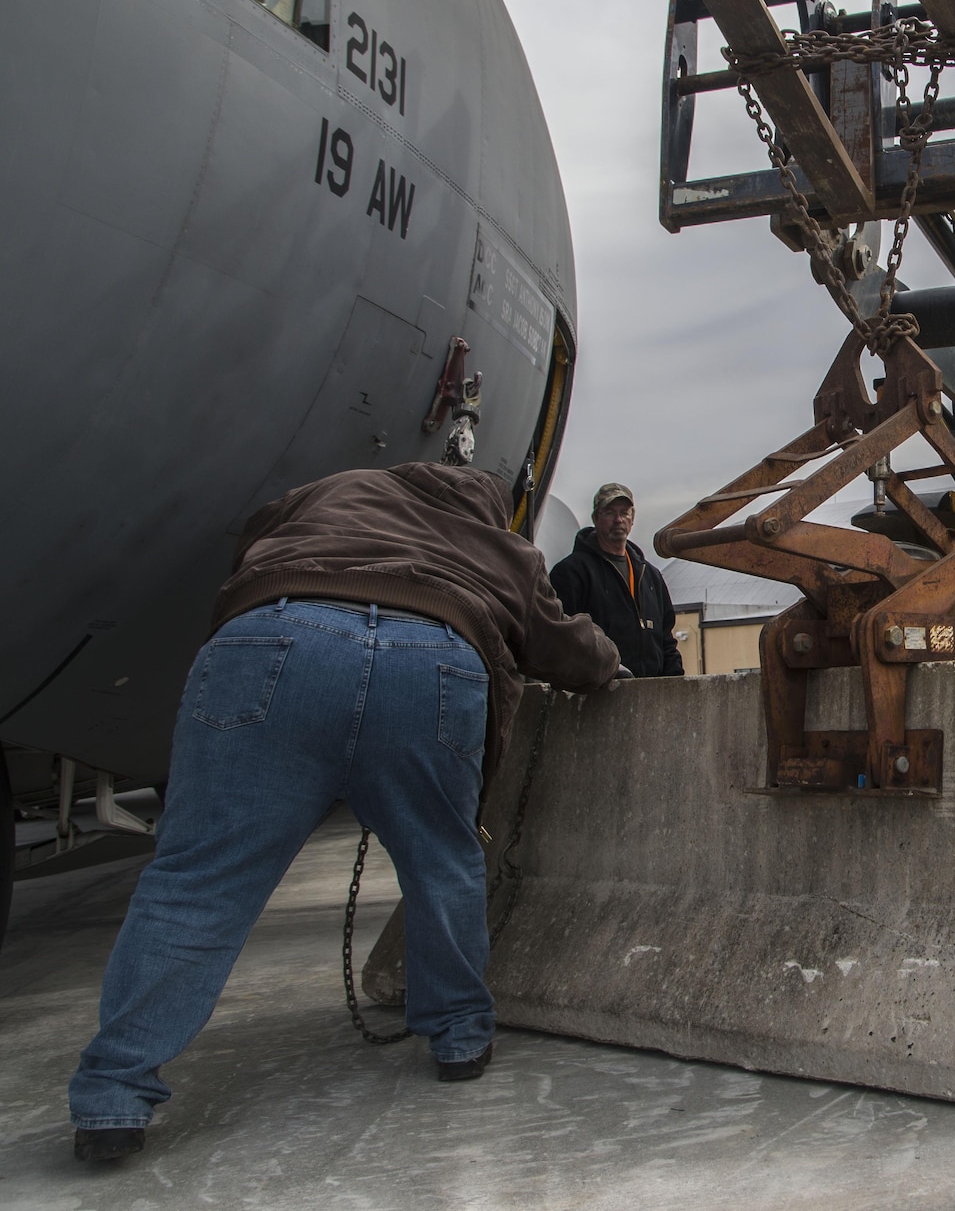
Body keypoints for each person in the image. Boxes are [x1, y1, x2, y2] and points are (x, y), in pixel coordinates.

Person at [67, 464, 618, 1162]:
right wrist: (608, 663)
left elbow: (258, 535)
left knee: (196, 880)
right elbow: (562, 643)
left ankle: (113, 1095)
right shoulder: (499, 544)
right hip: (431, 658)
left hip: (276, 634)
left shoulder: (338, 490)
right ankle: (459, 1037)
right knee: (441, 861)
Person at [549, 483, 684, 678]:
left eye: (624, 513)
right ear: (595, 518)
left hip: (652, 694)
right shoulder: (571, 573)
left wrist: (676, 684)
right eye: (609, 513)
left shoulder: (650, 576)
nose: (618, 519)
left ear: (633, 518)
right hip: (599, 695)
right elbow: (565, 641)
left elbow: (666, 640)